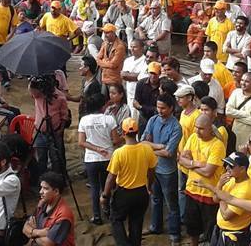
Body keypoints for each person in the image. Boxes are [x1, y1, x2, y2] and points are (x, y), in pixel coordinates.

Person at [102, 117, 156, 246]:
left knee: (116, 219)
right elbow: (152, 171)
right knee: (136, 222)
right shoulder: (147, 149)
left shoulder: (119, 153)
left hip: (124, 193)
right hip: (141, 192)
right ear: (137, 132)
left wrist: (105, 195)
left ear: (123, 133)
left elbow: (111, 177)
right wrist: (149, 187)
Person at [179, 113, 227, 246]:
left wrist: (190, 164)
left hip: (209, 195)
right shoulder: (193, 137)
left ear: (210, 129)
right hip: (191, 191)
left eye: (201, 128)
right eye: (196, 127)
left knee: (210, 231)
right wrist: (198, 163)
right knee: (192, 228)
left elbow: (208, 172)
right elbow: (181, 159)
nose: (197, 131)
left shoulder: (217, 145)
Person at [142, 92, 182, 245]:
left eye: (163, 108)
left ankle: (174, 233)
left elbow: (169, 152)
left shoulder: (176, 127)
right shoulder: (153, 120)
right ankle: (155, 226)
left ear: (171, 108)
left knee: (171, 203)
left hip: (167, 171)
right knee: (155, 198)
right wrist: (158, 146)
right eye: (158, 107)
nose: (159, 111)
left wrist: (151, 147)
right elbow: (144, 141)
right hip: (153, 167)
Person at [77, 91, 118, 225]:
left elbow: (81, 142)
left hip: (91, 159)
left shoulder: (84, 120)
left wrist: (95, 149)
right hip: (108, 158)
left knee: (94, 188)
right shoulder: (109, 119)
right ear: (102, 106)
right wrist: (124, 136)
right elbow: (116, 140)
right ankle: (110, 211)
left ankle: (96, 216)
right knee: (108, 186)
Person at [211, 152, 251, 246]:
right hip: (221, 231)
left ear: (242, 169)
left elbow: (226, 215)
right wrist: (219, 185)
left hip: (234, 237)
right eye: (227, 164)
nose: (227, 168)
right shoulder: (231, 179)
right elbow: (215, 199)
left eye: (231, 166)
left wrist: (221, 195)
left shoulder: (245, 190)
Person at [22, 171, 75, 246]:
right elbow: (25, 228)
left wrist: (32, 234)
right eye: (41, 188)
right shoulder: (42, 203)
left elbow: (48, 243)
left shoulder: (63, 214)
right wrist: (39, 232)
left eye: (45, 188)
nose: (40, 192)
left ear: (56, 191)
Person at [226, 71, 251, 149]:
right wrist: (246, 114)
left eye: (247, 81)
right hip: (236, 133)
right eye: (242, 80)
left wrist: (236, 117)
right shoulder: (236, 93)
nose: (243, 83)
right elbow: (228, 112)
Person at [96, 23, 126, 92]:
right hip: (104, 78)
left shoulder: (120, 46)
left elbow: (113, 64)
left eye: (107, 33)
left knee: (114, 99)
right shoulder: (105, 43)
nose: (105, 35)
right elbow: (98, 58)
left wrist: (102, 63)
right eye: (104, 33)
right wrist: (106, 63)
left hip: (114, 79)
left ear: (113, 33)